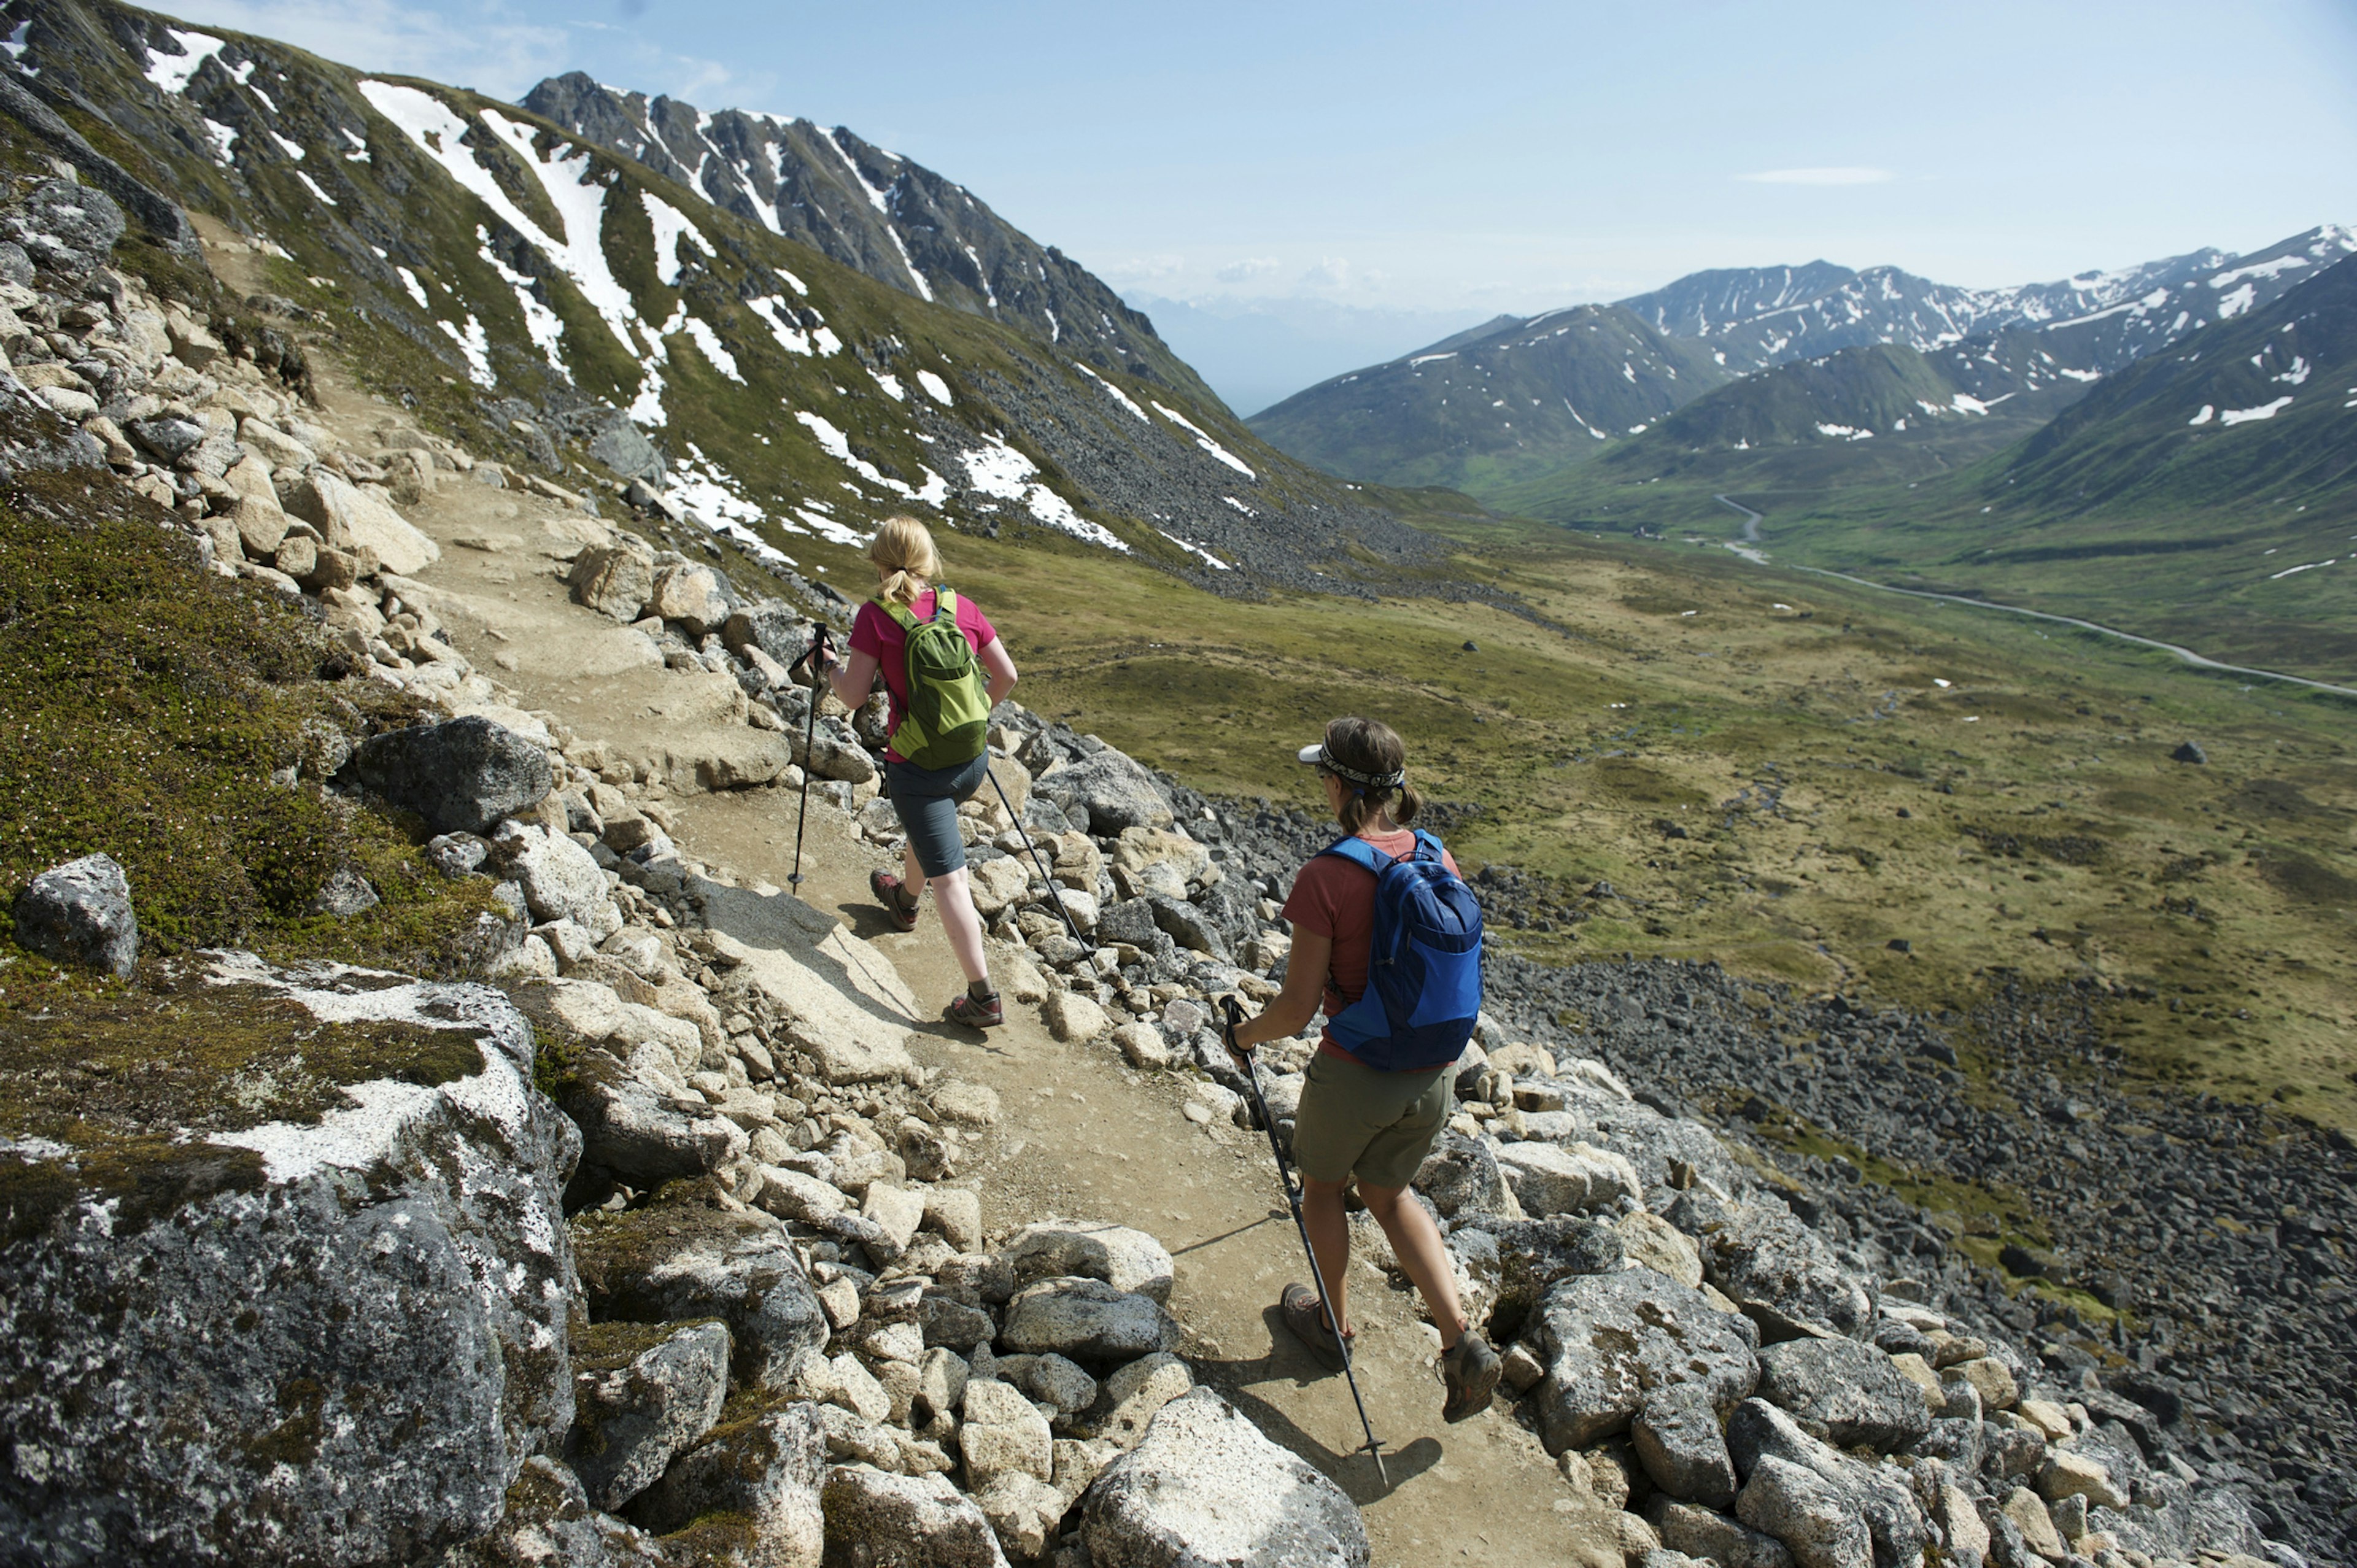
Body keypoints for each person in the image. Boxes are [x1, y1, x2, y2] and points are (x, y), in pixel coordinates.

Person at [1225, 716, 1502, 1423]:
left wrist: (1244, 1036)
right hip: (1434, 1073)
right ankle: (1460, 1339)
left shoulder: (1327, 874)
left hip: (1356, 1072)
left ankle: (1332, 1325)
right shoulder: (1437, 854)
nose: (1319, 783)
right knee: (1388, 1191)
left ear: (1340, 786)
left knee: (1323, 1187)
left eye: (1323, 773)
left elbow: (1297, 1006)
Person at [816, 516, 1018, 1027]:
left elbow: (854, 695)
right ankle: (904, 901)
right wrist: (969, 718)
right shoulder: (961, 607)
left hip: (917, 768)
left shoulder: (875, 616)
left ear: (879, 561)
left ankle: (982, 996)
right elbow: (1008, 675)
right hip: (971, 762)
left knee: (950, 878)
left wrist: (828, 667)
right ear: (929, 562)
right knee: (932, 831)